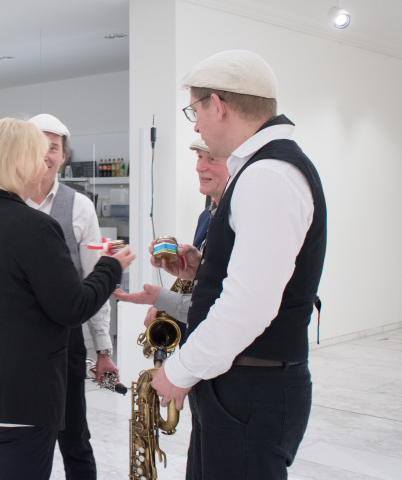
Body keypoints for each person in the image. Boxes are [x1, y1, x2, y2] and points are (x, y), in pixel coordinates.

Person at [0, 117, 135, 480]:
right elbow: (72, 307)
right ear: (21, 162)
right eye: (38, 155)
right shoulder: (36, 227)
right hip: (17, 399)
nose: (45, 164)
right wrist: (110, 266)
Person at [152, 50, 327, 480]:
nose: (195, 124)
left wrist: (179, 369)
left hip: (252, 390)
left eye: (195, 110)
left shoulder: (268, 175)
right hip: (242, 386)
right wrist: (205, 269)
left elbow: (249, 305)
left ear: (219, 105)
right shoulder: (264, 169)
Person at [27, 113, 115, 480]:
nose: (46, 155)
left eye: (54, 148)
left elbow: (96, 278)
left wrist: (103, 351)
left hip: (65, 345)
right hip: (16, 345)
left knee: (74, 435)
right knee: (27, 440)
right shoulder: (6, 202)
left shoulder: (80, 207)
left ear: (63, 156)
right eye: (39, 146)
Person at [112, 138, 229, 330]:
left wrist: (164, 300)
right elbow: (214, 281)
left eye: (212, 159)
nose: (200, 167)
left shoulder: (237, 219)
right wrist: (197, 270)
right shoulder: (205, 217)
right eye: (199, 157)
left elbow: (228, 300)